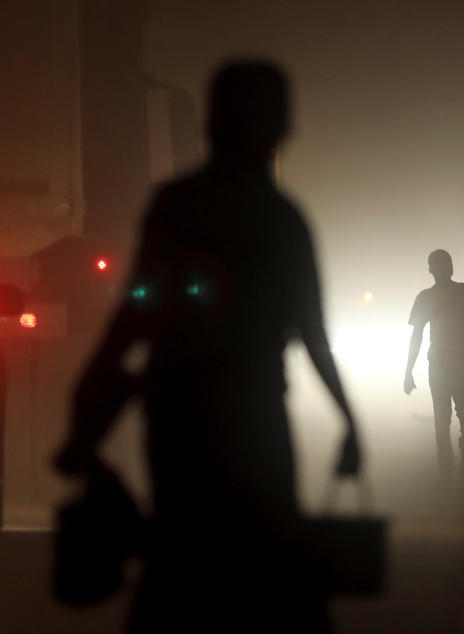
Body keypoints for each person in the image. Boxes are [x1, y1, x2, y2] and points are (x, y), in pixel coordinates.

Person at [54, 60, 358, 633]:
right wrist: (348, 419)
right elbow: (312, 332)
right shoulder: (282, 220)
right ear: (280, 129)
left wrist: (87, 409)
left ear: (211, 124)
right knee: (272, 571)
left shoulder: (177, 206)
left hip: (178, 421)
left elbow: (132, 319)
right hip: (256, 419)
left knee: (179, 566)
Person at [404, 249, 464, 481]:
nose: (448, 267)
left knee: (448, 418)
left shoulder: (431, 296)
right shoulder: (463, 292)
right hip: (454, 365)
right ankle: (457, 459)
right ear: (434, 269)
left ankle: (451, 463)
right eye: (445, 263)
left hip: (445, 366)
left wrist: (408, 371)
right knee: (461, 416)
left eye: (449, 262)